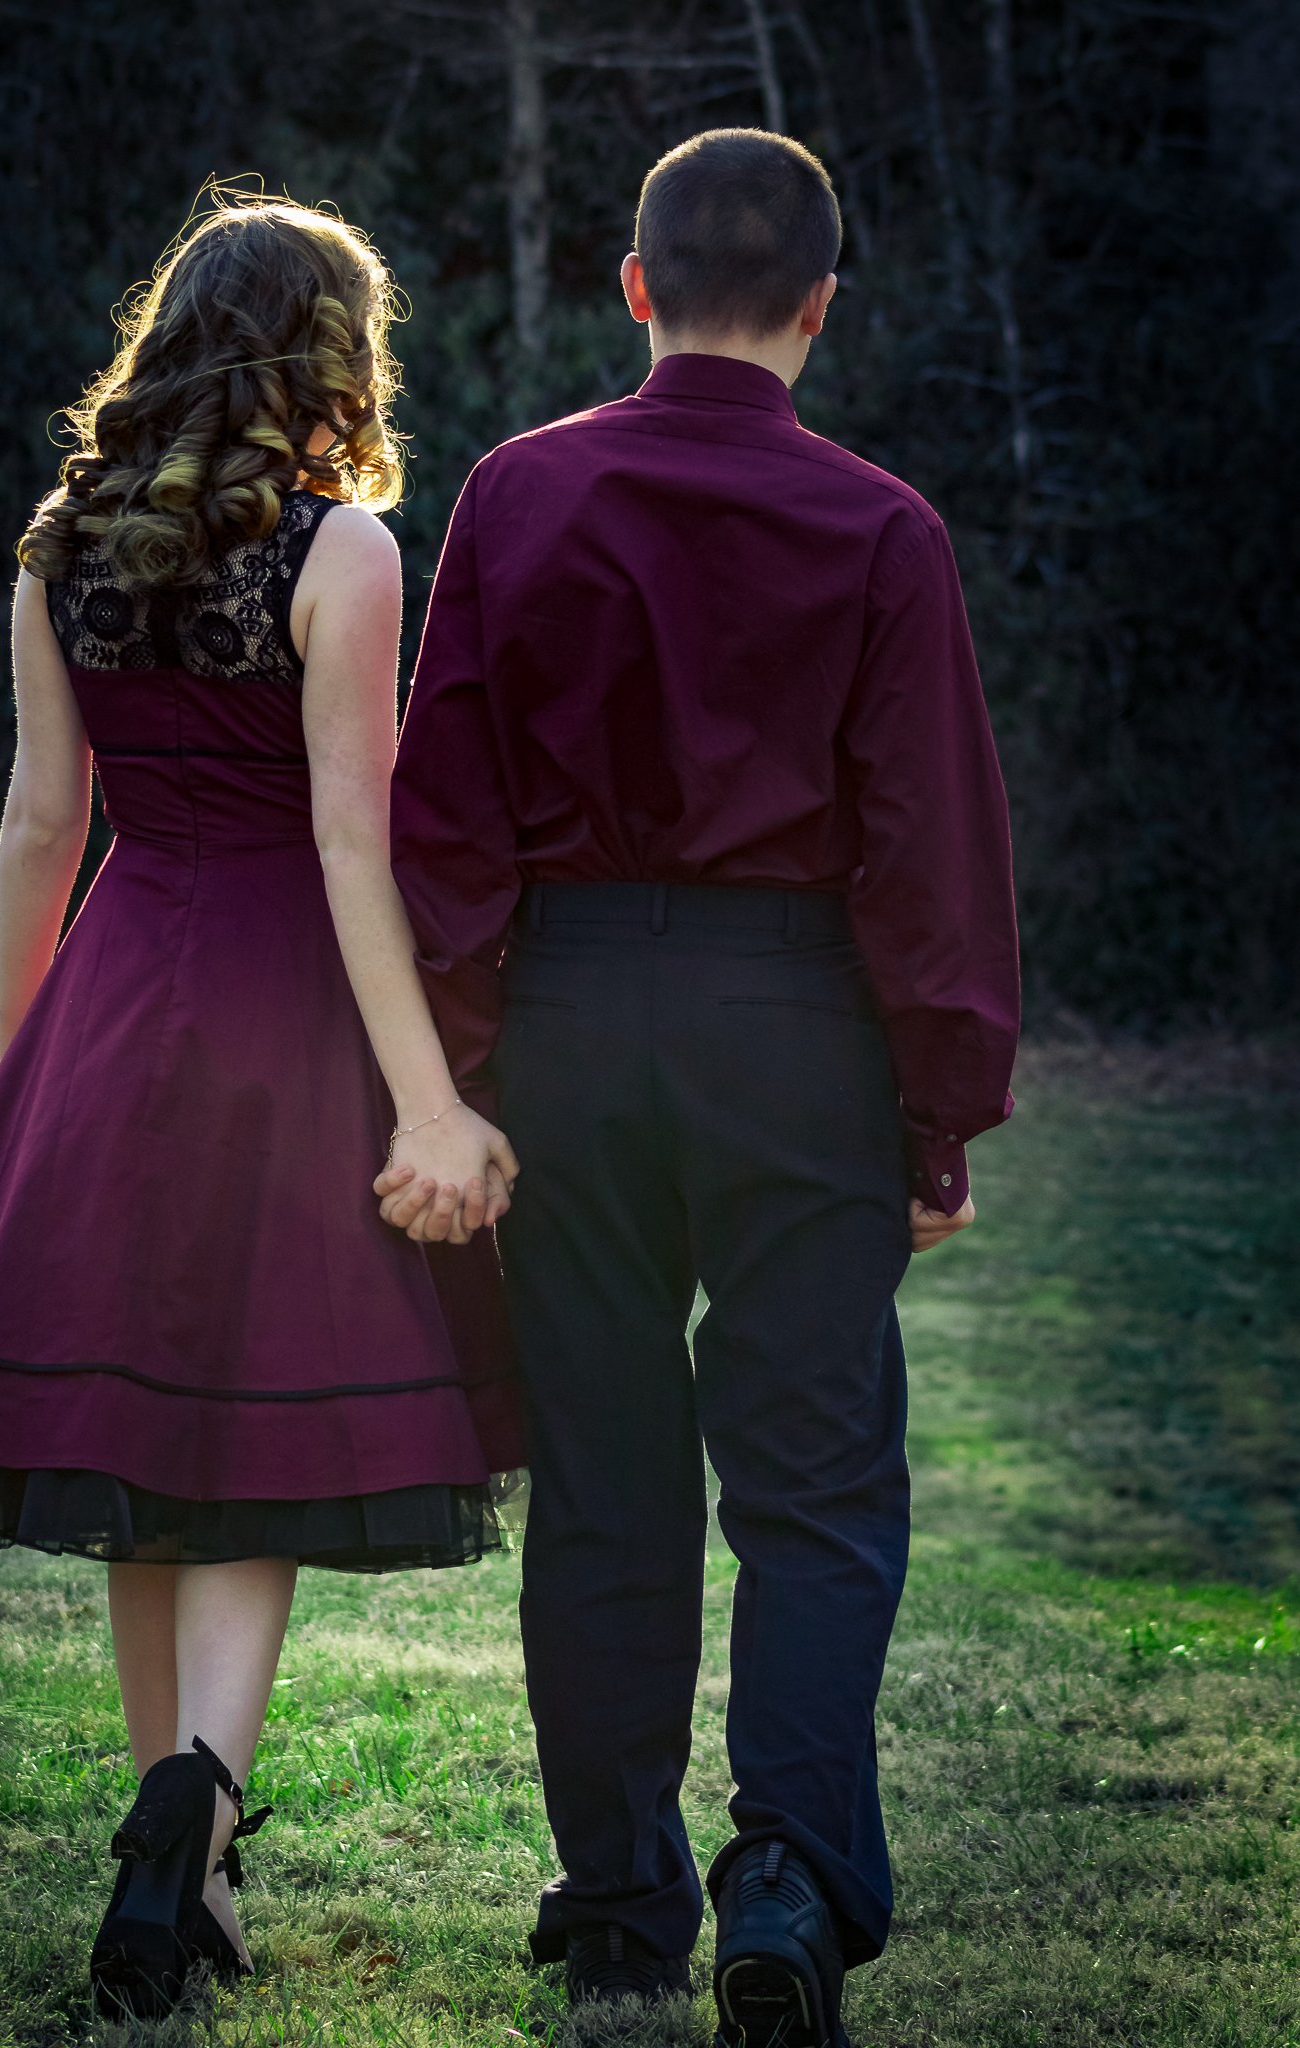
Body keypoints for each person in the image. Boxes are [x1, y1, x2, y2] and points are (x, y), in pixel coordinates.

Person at [0, 195, 523, 2022]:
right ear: (328, 350)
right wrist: (429, 1098)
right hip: (282, 1010)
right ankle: (193, 1815)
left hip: (115, 1005)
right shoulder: (346, 552)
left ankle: (175, 1844)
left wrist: (14, 1081)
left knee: (137, 1434)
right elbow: (351, 849)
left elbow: (42, 830)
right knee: (258, 1429)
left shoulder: (60, 546)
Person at [385, 129, 1020, 2048]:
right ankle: (790, 1885)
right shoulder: (887, 529)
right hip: (797, 1025)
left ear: (635, 287)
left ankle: (618, 1904)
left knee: (604, 1479)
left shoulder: (514, 492)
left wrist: (460, 1072)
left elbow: (448, 818)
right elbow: (929, 854)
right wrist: (937, 1113)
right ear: (826, 304)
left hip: (570, 1017)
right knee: (816, 1491)